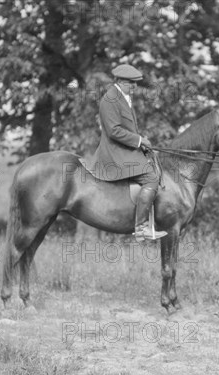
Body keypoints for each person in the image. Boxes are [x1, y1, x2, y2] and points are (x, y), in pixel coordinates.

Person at [89, 64, 167, 242]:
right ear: (120, 81)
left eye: (136, 83)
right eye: (131, 83)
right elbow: (114, 131)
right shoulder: (109, 99)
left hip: (127, 148)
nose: (135, 87)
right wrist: (139, 141)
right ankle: (141, 228)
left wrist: (141, 142)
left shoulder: (123, 97)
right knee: (151, 178)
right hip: (115, 152)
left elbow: (127, 129)